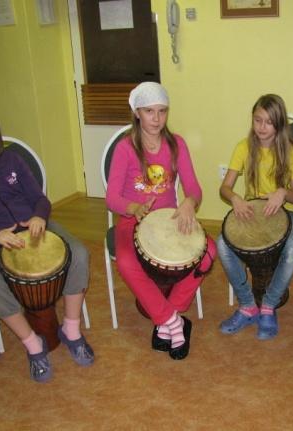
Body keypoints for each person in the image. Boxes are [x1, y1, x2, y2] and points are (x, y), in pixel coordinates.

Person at [0, 106, 94, 383]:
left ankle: (71, 329)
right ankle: (33, 345)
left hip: (37, 229)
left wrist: (39, 215)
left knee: (80, 253)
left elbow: (40, 199)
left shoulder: (11, 160)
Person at [106, 82, 216, 360]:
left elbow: (194, 188)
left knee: (208, 253)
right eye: (149, 111)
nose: (156, 119)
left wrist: (190, 202)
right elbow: (111, 198)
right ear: (137, 113)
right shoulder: (125, 148)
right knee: (127, 262)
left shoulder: (176, 144)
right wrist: (133, 207)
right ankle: (172, 322)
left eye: (162, 111)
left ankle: (168, 314)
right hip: (133, 219)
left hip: (170, 218)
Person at [217, 94, 293, 340]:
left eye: (268, 122)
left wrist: (283, 193)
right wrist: (234, 198)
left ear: (279, 124)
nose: (262, 127)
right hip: (253, 210)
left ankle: (269, 304)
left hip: (286, 212)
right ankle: (247, 305)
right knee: (222, 246)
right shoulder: (243, 147)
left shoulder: (292, 151)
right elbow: (225, 188)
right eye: (257, 120)